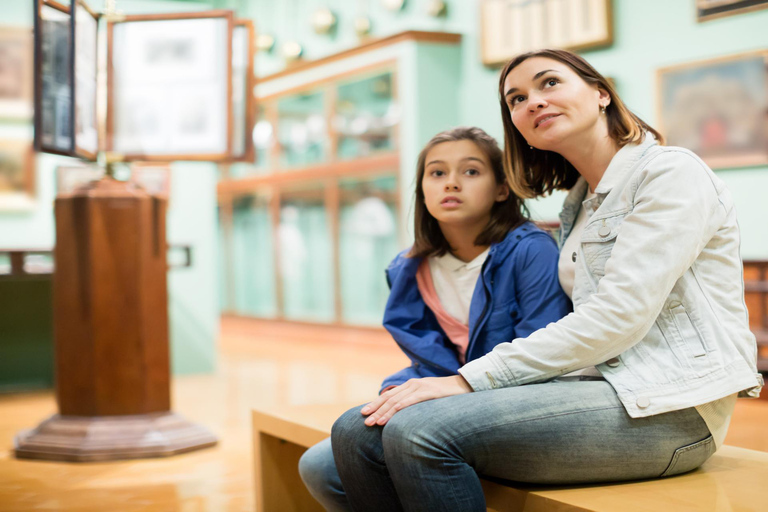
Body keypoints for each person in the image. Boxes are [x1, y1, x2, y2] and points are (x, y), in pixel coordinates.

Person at [329, 49, 764, 512]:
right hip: (591, 390)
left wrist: (466, 380)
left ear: (600, 93)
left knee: (420, 431)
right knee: (355, 432)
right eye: (516, 98)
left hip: (670, 409)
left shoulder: (669, 173)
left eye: (549, 83)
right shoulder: (580, 204)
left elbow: (618, 318)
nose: (532, 101)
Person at [298, 126, 572, 510]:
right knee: (321, 464)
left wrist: (442, 394)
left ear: (501, 189)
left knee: (399, 440)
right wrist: (398, 392)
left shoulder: (532, 252)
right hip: (451, 400)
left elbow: (542, 360)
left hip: (519, 403)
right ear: (422, 189)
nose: (452, 184)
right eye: (437, 173)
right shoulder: (410, 267)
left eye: (471, 171)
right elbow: (429, 363)